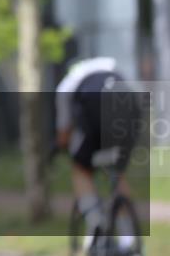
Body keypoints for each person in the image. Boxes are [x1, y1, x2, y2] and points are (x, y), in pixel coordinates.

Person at [55, 56, 141, 251]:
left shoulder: (69, 82)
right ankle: (129, 239)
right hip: (128, 111)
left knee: (81, 169)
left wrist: (61, 145)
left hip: (95, 110)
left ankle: (95, 224)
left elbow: (64, 128)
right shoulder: (115, 70)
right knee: (117, 173)